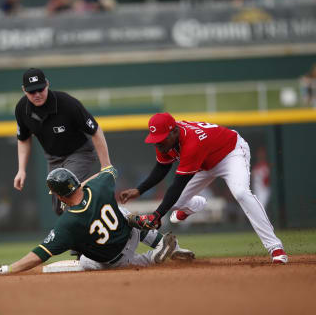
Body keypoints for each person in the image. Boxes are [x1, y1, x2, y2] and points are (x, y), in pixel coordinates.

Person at [119, 113, 288, 264]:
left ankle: (275, 247)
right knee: (172, 203)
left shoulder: (192, 142)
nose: (158, 144)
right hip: (204, 163)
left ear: (174, 132)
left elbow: (178, 184)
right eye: (156, 139)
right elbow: (162, 168)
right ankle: (192, 206)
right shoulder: (166, 141)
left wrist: (157, 215)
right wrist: (139, 190)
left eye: (161, 139)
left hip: (230, 154)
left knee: (241, 193)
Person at [0, 166, 194, 276]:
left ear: (59, 195)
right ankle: (162, 244)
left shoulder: (68, 223)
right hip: (130, 232)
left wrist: (8, 269)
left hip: (114, 260)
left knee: (81, 263)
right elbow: (110, 170)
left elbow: (40, 254)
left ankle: (154, 257)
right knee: (121, 211)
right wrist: (84, 183)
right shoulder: (99, 186)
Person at [14, 68, 111, 216]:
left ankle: (96, 229)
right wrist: (21, 169)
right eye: (32, 91)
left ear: (47, 84)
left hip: (80, 153)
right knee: (59, 208)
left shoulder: (67, 103)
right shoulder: (22, 109)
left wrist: (106, 166)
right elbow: (23, 139)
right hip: (53, 158)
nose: (37, 94)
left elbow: (95, 130)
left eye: (40, 89)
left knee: (69, 198)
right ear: (24, 90)